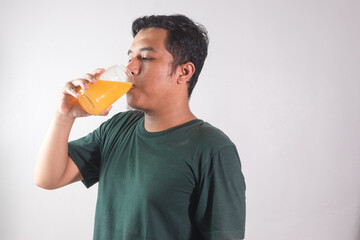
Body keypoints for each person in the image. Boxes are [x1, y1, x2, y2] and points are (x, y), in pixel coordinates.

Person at [35, 14, 246, 240]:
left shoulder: (212, 148)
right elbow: (48, 178)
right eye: (130, 57)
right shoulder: (117, 128)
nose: (131, 68)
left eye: (145, 58)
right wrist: (64, 116)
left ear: (184, 72)